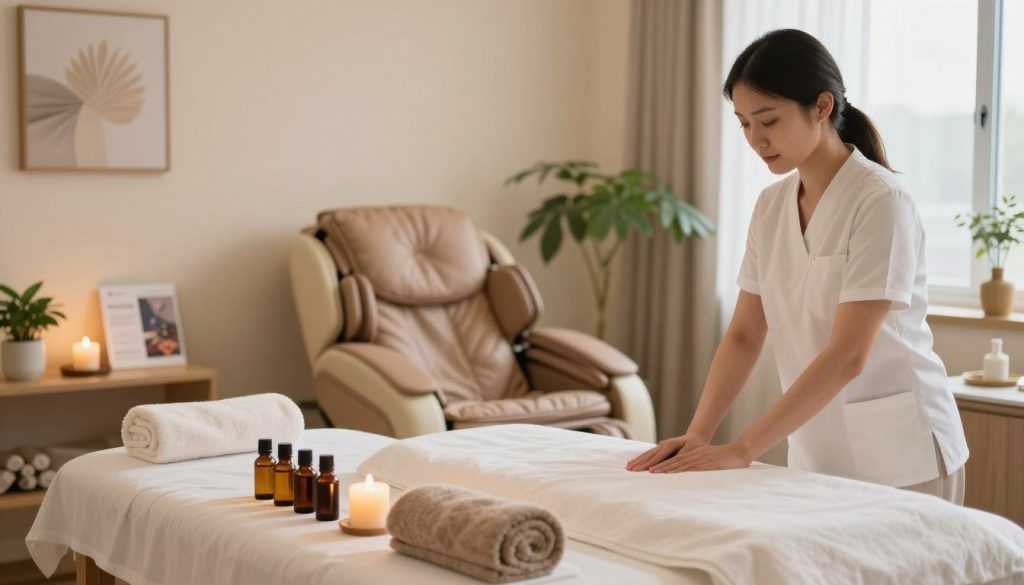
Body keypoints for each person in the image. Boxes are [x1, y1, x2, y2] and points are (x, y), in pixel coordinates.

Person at [626, 28, 969, 503]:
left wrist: (744, 448)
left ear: (823, 107)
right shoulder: (771, 206)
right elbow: (746, 332)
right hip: (816, 450)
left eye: (768, 120)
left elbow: (849, 354)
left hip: (901, 454)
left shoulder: (880, 201)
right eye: (744, 124)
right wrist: (700, 433)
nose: (756, 139)